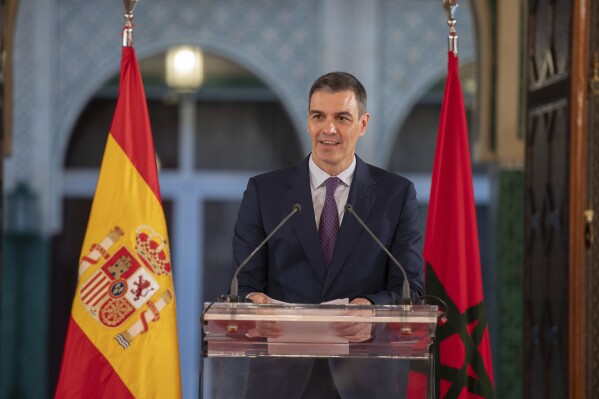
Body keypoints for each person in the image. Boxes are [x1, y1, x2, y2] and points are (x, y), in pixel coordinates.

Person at [231, 71, 425, 398]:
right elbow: (242, 282)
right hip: (280, 379)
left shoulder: (396, 194)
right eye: (318, 116)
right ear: (308, 121)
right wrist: (252, 306)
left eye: (342, 117)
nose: (328, 129)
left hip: (363, 377)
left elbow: (411, 289)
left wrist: (371, 310)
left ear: (363, 124)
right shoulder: (264, 191)